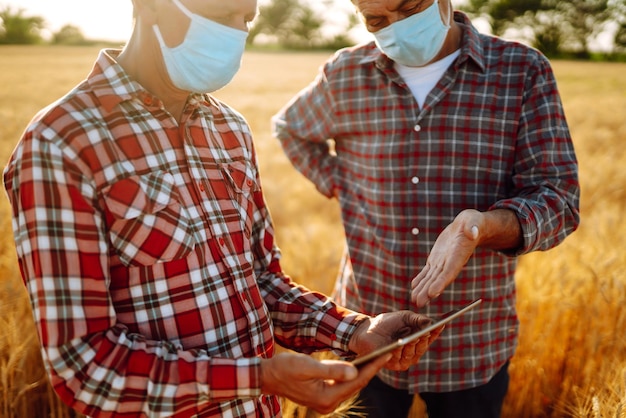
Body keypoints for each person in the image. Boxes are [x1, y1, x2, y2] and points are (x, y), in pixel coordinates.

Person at [2, 0, 444, 416]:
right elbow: (85, 367)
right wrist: (260, 377)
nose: (234, 34)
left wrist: (356, 332)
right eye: (219, 13)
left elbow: (262, 282)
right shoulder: (59, 143)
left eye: (244, 19)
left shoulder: (228, 128)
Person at [272, 0, 581, 417]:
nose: (398, 27)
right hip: (365, 329)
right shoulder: (345, 72)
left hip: (470, 340)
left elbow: (559, 198)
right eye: (377, 20)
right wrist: (341, 183)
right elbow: (291, 128)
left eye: (410, 7)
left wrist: (482, 226)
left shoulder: (521, 71)